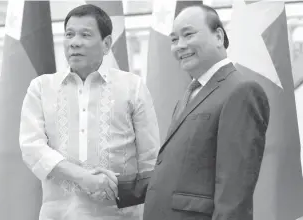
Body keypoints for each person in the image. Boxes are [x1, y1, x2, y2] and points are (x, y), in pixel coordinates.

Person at [95, 4, 270, 220]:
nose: (180, 46)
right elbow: (177, 171)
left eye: (188, 35)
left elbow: (234, 190)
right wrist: (118, 187)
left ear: (218, 36)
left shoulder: (240, 91)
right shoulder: (191, 93)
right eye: (174, 39)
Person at [19, 4, 160, 220]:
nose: (74, 42)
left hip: (121, 215)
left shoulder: (133, 87)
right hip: (59, 214)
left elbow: (150, 159)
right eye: (69, 34)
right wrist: (84, 177)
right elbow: (32, 147)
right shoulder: (41, 88)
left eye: (85, 34)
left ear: (106, 44)